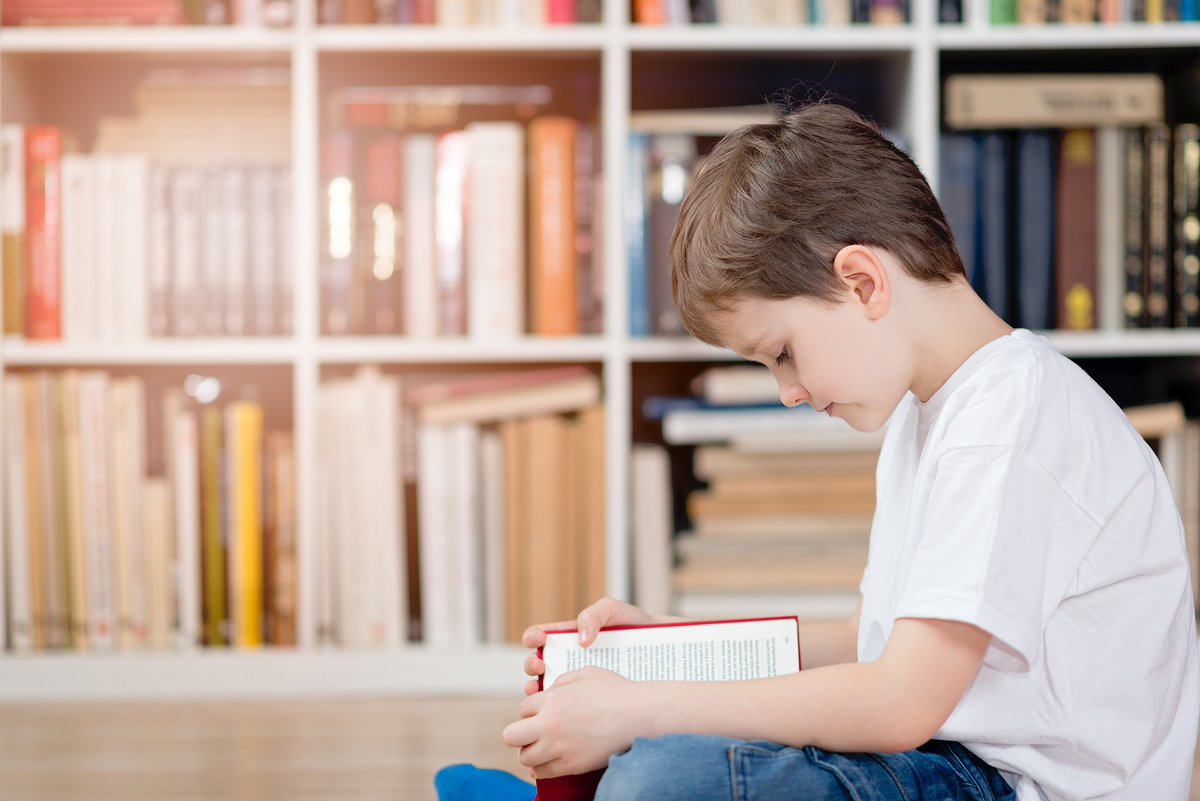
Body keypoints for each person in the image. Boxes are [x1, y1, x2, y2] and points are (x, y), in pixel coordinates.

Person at [443, 102, 1200, 801]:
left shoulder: (1010, 422)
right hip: (946, 761)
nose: (788, 391)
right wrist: (674, 647)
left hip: (1001, 782)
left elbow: (899, 700)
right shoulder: (931, 415)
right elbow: (869, 642)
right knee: (671, 756)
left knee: (670, 774)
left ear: (863, 281)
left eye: (782, 353)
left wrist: (644, 705)